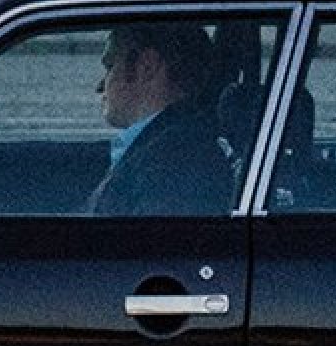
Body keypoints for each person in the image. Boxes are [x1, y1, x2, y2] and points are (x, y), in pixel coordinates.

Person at [87, 20, 234, 215]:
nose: (99, 86)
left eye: (110, 66)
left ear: (147, 67)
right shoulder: (166, 147)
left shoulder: (175, 164)